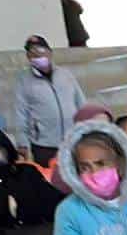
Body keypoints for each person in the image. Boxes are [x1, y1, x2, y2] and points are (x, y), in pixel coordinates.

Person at [14, 35, 85, 166]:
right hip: (44, 144)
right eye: (32, 53)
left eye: (40, 51)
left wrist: (86, 128)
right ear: (28, 57)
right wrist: (22, 142)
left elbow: (80, 102)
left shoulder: (66, 75)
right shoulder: (24, 80)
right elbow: (20, 113)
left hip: (73, 140)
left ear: (49, 52)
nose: (36, 56)